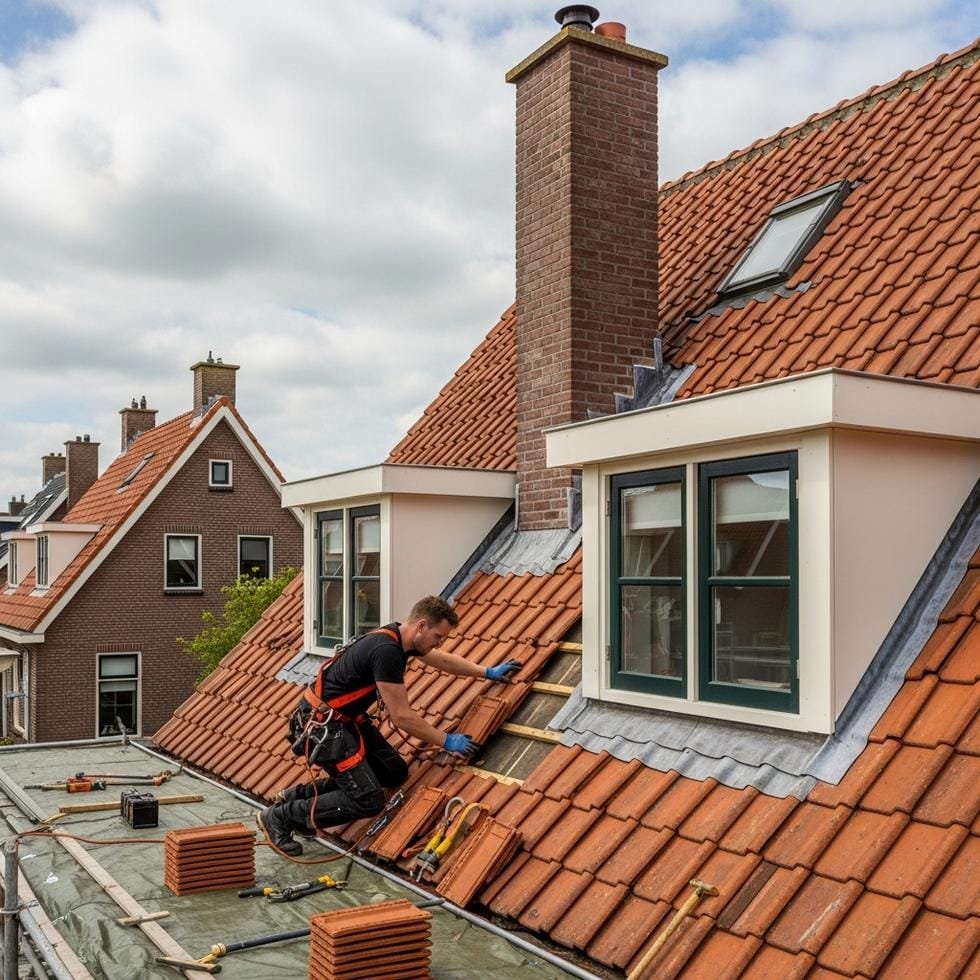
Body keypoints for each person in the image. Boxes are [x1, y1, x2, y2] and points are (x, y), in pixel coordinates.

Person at [257, 595, 521, 856]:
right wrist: (446, 740)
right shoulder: (387, 652)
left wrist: (486, 671)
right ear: (420, 626)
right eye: (439, 636)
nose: (440, 643)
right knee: (369, 800)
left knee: (392, 773)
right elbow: (402, 716)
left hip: (345, 720)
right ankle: (282, 817)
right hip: (324, 728)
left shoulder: (399, 638)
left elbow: (440, 660)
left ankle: (296, 796)